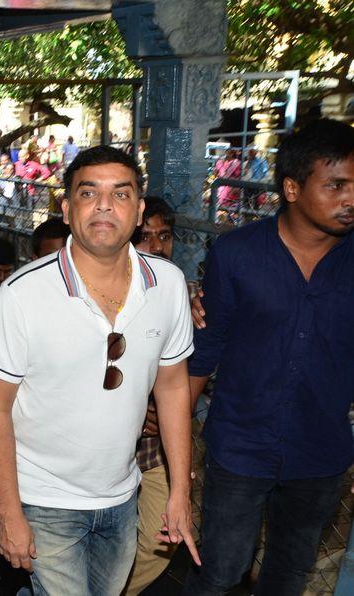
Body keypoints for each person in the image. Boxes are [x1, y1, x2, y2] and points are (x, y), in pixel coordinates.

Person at [0, 145, 199, 596]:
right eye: (88, 193)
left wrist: (181, 490)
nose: (104, 205)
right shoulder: (22, 295)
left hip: (122, 494)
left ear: (139, 212)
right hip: (44, 497)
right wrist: (8, 512)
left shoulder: (168, 285)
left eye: (121, 195)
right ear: (66, 208)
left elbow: (174, 389)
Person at [182, 119, 354, 596]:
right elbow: (206, 348)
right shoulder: (236, 255)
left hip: (321, 452)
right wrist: (174, 439)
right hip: (240, 445)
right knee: (219, 570)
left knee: (288, 574)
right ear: (293, 188)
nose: (350, 198)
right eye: (337, 185)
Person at [123, 196, 178, 596]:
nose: (157, 247)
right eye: (146, 237)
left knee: (162, 539)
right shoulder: (99, 298)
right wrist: (130, 410)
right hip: (102, 447)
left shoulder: (181, 297)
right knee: (95, 536)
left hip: (157, 449)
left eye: (165, 236)